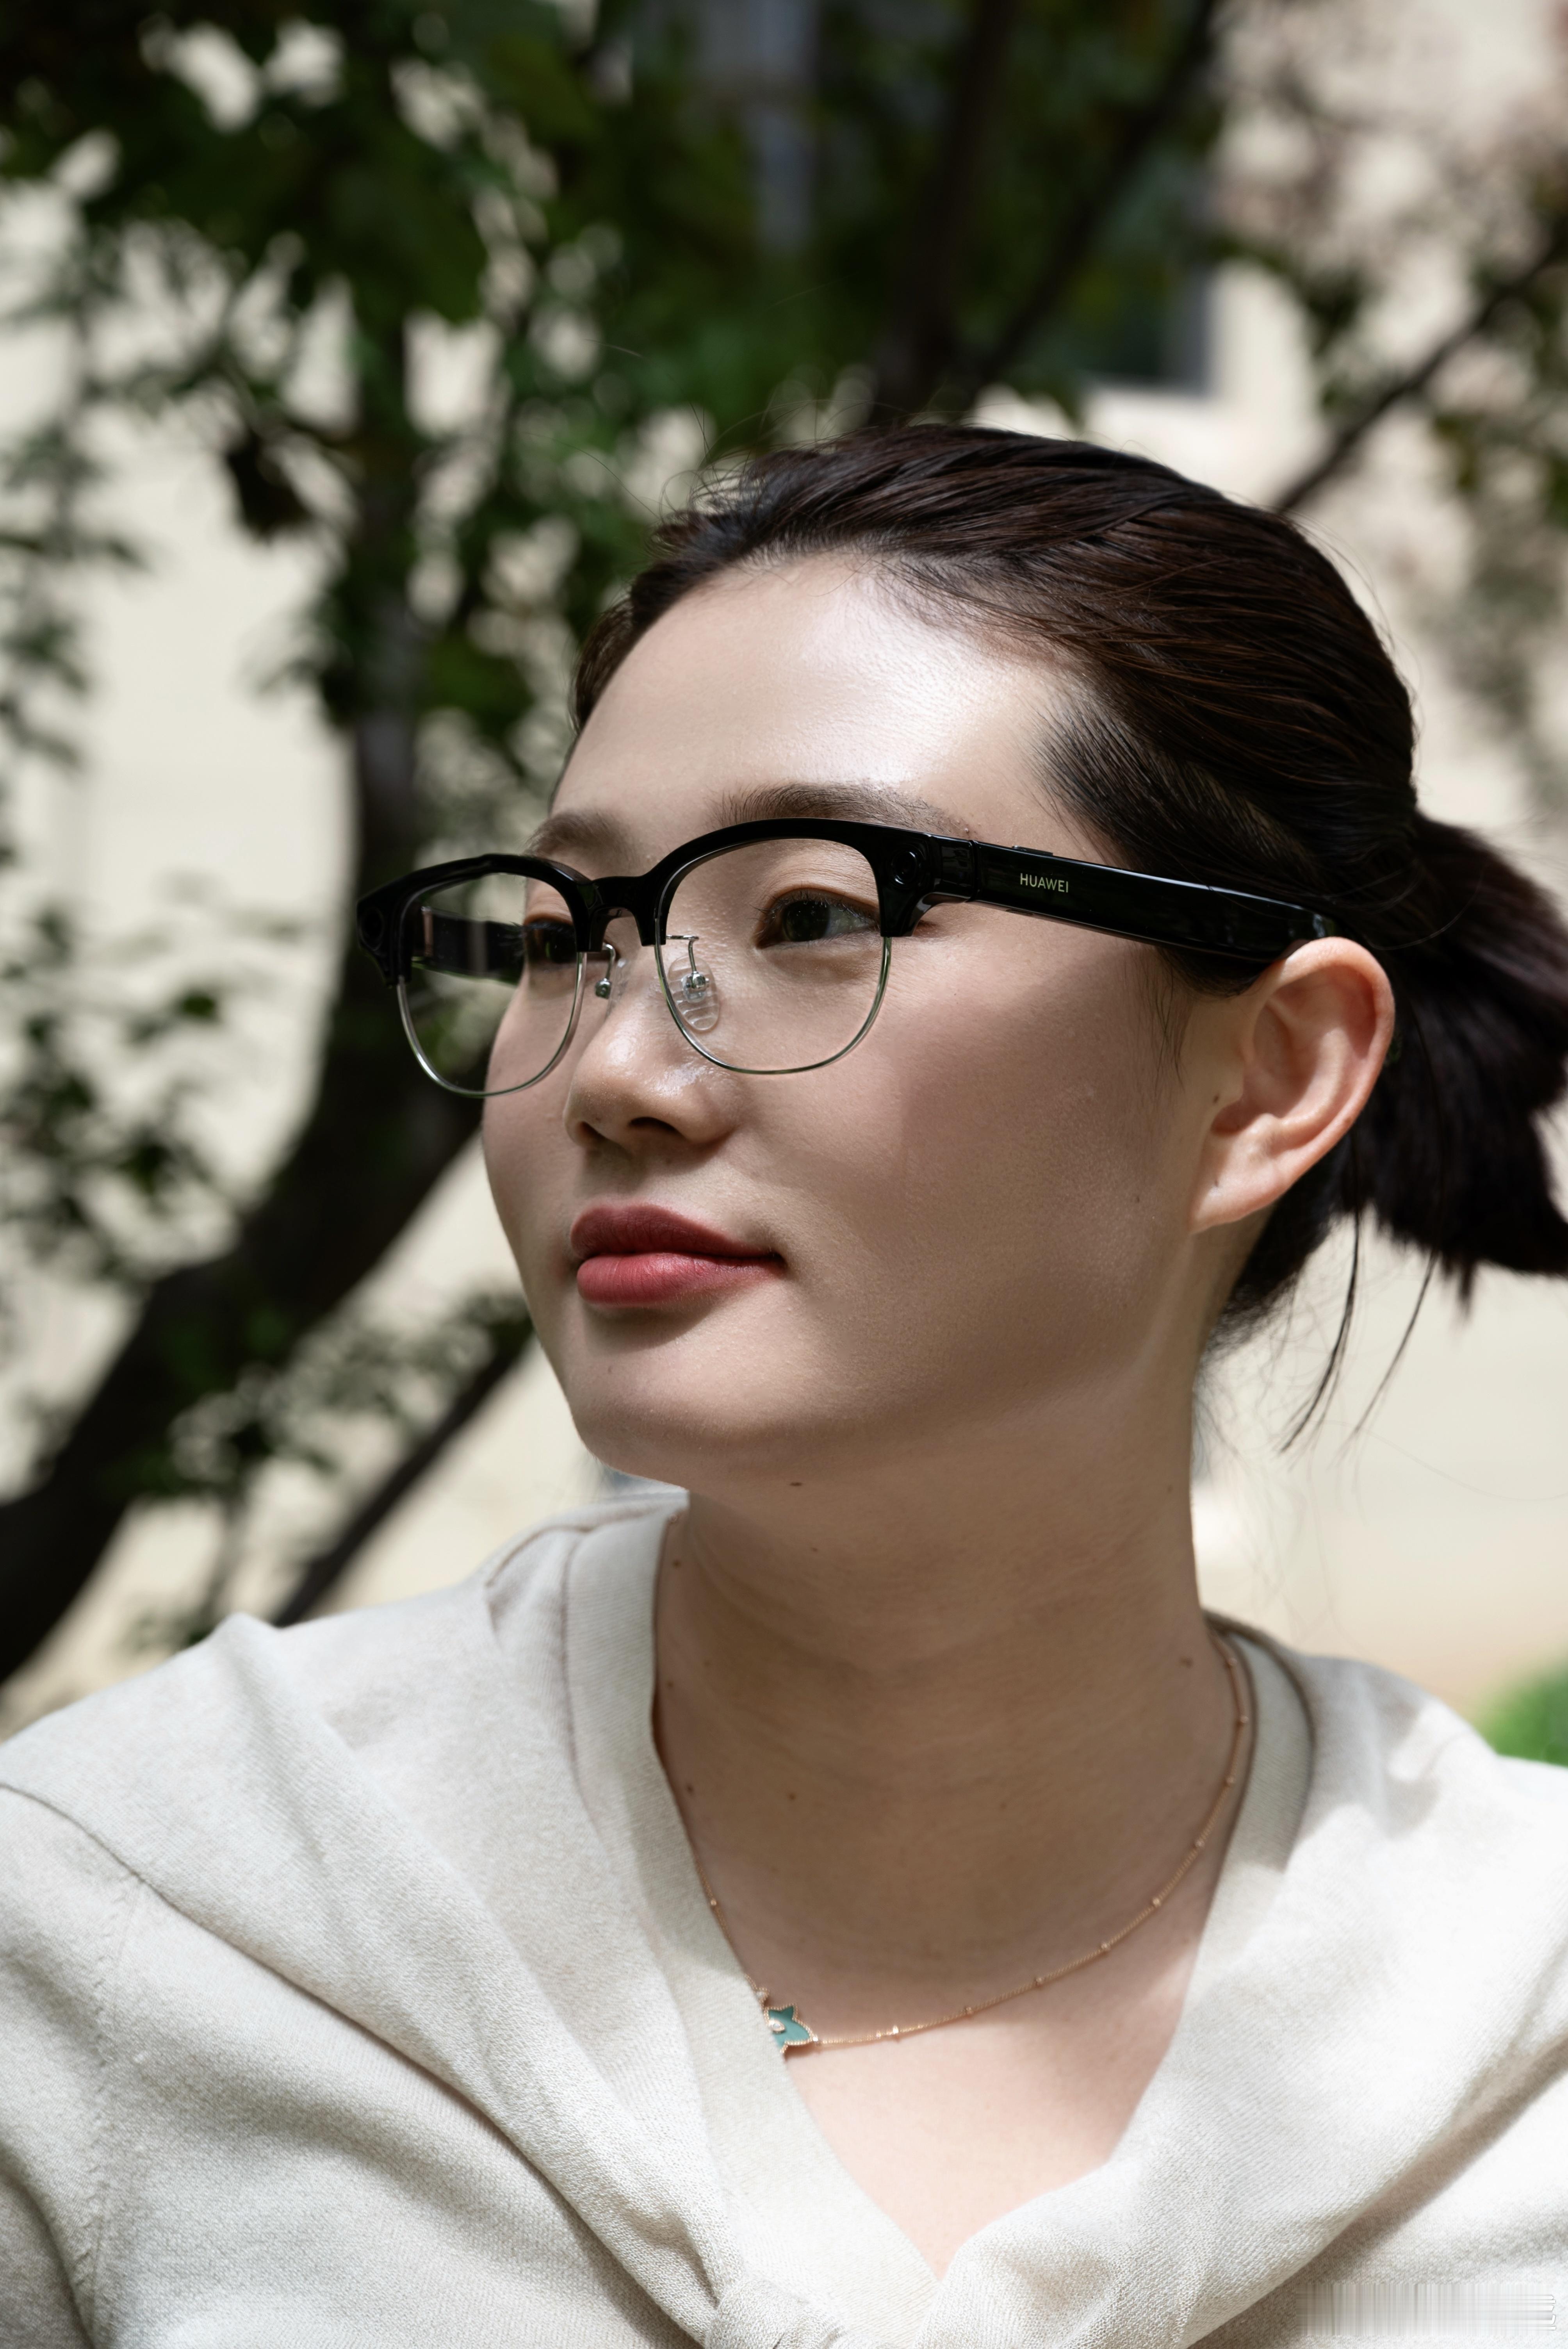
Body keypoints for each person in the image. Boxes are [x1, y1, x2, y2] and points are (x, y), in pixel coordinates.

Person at [5, 426, 1568, 2349]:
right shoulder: (132, 1925)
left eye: (814, 915)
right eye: (563, 937)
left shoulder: (1514, 2042)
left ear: (1267, 1077)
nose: (612, 1072)